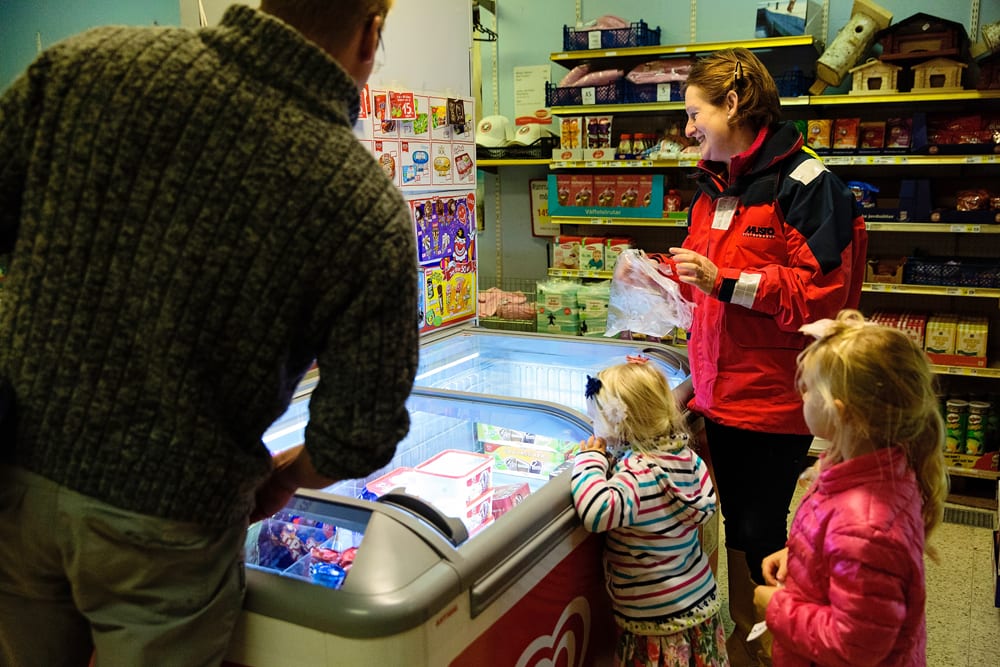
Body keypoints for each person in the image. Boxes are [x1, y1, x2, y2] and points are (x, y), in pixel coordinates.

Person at [0, 1, 418, 665]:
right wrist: (287, 477)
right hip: (171, 527)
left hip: (16, 479)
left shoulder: (86, 67)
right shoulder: (364, 204)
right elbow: (359, 432)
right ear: (370, 35)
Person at [663, 47, 868, 667]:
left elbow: (821, 296)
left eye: (694, 113)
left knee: (759, 529)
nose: (688, 129)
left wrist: (722, 281)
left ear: (732, 104)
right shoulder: (714, 185)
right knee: (740, 524)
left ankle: (771, 645)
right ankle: (744, 634)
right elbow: (706, 281)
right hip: (720, 393)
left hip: (773, 399)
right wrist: (661, 281)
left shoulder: (809, 186)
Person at [753, 310, 949, 666]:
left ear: (841, 412)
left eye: (808, 389)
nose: (801, 395)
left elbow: (856, 645)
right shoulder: (872, 464)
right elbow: (836, 544)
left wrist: (778, 607)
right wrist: (798, 556)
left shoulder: (866, 529)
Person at [571, 358, 729, 667]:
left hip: (656, 616)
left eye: (596, 417)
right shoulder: (686, 457)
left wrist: (590, 460)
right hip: (699, 599)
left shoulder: (637, 475)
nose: (592, 423)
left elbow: (596, 512)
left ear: (620, 424)